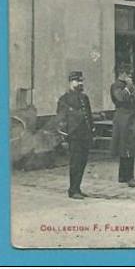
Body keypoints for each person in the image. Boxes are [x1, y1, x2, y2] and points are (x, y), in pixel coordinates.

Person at [56, 71, 94, 199]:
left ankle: (77, 187)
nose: (80, 83)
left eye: (81, 81)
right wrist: (64, 138)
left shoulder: (84, 98)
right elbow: (61, 120)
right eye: (77, 81)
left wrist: (91, 131)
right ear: (70, 82)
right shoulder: (64, 99)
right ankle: (73, 190)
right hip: (73, 136)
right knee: (75, 163)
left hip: (85, 135)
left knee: (82, 162)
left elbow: (89, 116)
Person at [110, 63, 135, 188]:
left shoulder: (128, 86)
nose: (130, 76)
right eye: (128, 74)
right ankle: (128, 177)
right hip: (124, 120)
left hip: (131, 119)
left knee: (129, 146)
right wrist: (129, 87)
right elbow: (121, 98)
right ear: (122, 73)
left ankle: (123, 175)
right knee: (127, 147)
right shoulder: (116, 86)